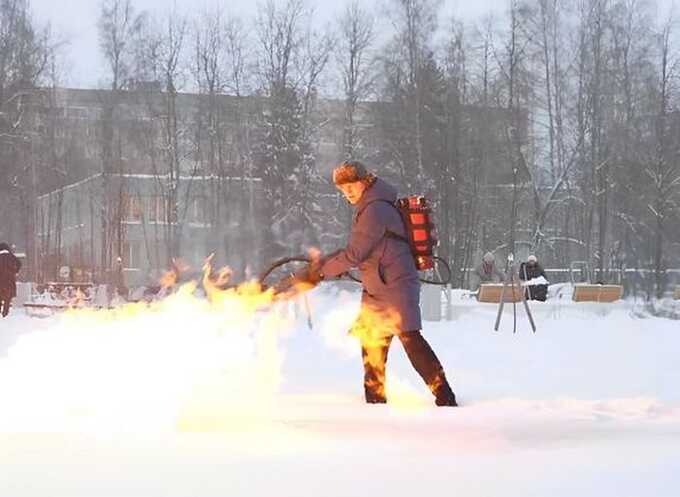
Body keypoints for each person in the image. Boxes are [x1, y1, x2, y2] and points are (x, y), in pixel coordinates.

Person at [299, 160, 457, 406]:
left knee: (411, 341)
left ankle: (445, 397)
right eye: (343, 188)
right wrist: (323, 267)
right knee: (372, 342)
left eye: (351, 185)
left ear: (365, 181)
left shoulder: (374, 210)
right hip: (379, 286)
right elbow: (364, 251)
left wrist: (320, 273)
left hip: (394, 286)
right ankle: (375, 401)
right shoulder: (372, 205)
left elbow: (355, 254)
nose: (348, 192)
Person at [0, 243, 22, 317]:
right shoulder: (12, 256)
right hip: (9, 280)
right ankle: (5, 314)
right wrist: (15, 271)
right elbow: (19, 263)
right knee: (7, 298)